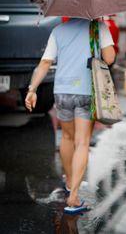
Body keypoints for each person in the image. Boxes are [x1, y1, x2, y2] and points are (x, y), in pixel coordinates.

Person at [25, 17, 115, 213]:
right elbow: (109, 59)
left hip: (62, 92)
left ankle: (69, 179)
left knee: (67, 137)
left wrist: (32, 89)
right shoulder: (98, 27)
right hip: (86, 90)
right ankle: (73, 197)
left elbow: (45, 62)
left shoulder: (59, 30)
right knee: (82, 142)